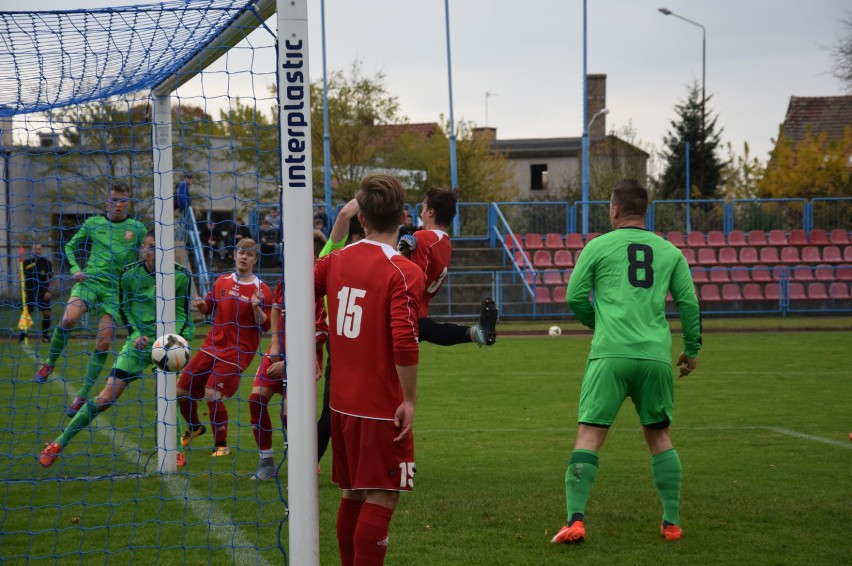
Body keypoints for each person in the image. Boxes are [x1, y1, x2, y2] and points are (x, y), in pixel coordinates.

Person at [551, 179, 702, 545]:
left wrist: (597, 323)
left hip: (610, 356)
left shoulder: (598, 246)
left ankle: (575, 520)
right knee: (659, 435)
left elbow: (574, 296)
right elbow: (689, 303)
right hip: (654, 357)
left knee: (590, 434)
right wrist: (691, 349)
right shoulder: (669, 251)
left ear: (614, 210)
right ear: (644, 211)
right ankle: (671, 523)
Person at [314, 174, 424, 565]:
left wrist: (315, 346)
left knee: (354, 493)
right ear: (404, 218)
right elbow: (405, 341)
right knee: (382, 494)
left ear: (362, 219)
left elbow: (297, 293)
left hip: (341, 403)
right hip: (378, 405)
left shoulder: (334, 260)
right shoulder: (403, 271)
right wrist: (409, 399)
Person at [39, 231, 194, 468]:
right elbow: (124, 309)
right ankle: (59, 443)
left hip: (168, 344)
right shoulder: (129, 273)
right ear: (143, 248)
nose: (156, 251)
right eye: (151, 246)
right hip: (138, 345)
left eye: (161, 247)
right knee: (105, 398)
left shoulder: (181, 275)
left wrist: (174, 339)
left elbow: (183, 312)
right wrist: (135, 334)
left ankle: (172, 450)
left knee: (167, 394)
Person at [36, 183, 148, 420]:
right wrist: (75, 268)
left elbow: (143, 258)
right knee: (67, 320)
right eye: (114, 200)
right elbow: (69, 246)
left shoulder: (137, 229)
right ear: (107, 201)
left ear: (129, 202)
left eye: (123, 200)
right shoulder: (93, 224)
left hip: (114, 291)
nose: (118, 205)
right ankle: (49, 363)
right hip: (89, 282)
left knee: (104, 343)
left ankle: (82, 396)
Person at [177, 238, 272, 457]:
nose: (243, 257)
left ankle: (221, 446)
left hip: (237, 353)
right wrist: (201, 305)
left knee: (211, 393)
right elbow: (209, 307)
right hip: (211, 346)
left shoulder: (262, 290)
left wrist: (256, 309)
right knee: (179, 392)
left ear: (255, 259)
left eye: (249, 254)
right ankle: (195, 427)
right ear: (234, 255)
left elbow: (267, 325)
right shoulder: (222, 281)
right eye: (241, 252)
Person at [248, 230, 328, 480]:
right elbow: (275, 309)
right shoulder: (288, 278)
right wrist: (273, 344)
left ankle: (305, 460)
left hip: (305, 359)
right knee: (255, 400)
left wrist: (290, 362)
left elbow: (321, 335)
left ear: (315, 258)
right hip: (278, 351)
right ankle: (267, 463)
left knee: (289, 413)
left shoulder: (324, 290)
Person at [398, 188, 498, 348]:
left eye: (423, 209)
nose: (421, 214)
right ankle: (475, 332)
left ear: (430, 212)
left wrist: (399, 255)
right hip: (419, 310)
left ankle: (476, 332)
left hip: (403, 309)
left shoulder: (422, 237)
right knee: (427, 329)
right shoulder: (445, 243)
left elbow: (413, 278)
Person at [316, 202, 365, 467]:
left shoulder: (337, 258)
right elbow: (346, 214)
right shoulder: (333, 258)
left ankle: (313, 465)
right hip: (352, 342)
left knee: (335, 412)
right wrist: (371, 194)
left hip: (342, 342)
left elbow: (346, 214)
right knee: (336, 412)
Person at [20, 243, 53, 343]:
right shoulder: (26, 262)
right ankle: (23, 335)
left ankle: (45, 336)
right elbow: (21, 276)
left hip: (43, 292)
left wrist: (48, 291)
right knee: (26, 313)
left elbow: (51, 277)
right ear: (32, 250)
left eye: (38, 249)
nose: (36, 251)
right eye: (34, 249)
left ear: (41, 250)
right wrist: (23, 291)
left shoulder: (46, 262)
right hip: (29, 291)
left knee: (46, 314)